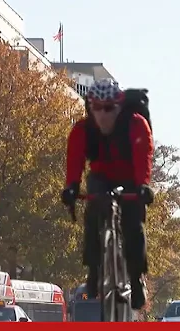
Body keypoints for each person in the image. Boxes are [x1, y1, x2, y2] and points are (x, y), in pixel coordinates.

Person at [61, 78, 154, 310]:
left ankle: (135, 278)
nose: (103, 115)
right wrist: (71, 187)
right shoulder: (82, 130)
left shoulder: (136, 124)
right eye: (97, 108)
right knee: (93, 214)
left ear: (119, 107)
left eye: (109, 108)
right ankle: (93, 271)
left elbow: (144, 156)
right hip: (101, 177)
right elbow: (74, 161)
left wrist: (143, 186)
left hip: (130, 178)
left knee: (134, 225)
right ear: (90, 107)